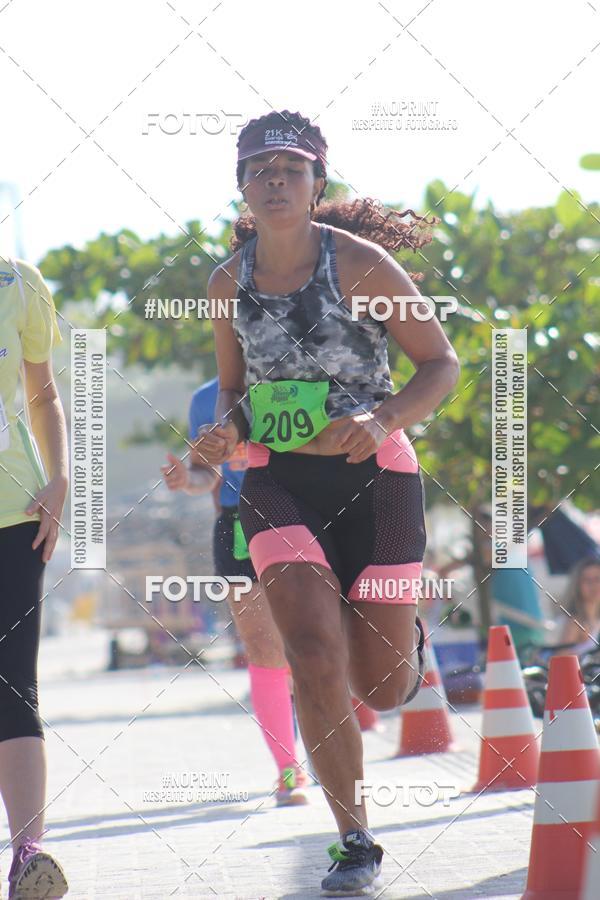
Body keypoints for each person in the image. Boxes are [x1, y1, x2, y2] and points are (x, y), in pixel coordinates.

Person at [196, 110, 460, 895]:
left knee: (380, 686)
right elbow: (235, 392)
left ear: (316, 183)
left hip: (378, 478)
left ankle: (402, 638)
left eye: (291, 169)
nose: (275, 181)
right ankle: (355, 839)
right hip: (277, 482)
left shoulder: (362, 265)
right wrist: (225, 431)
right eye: (260, 170)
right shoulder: (226, 283)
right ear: (241, 186)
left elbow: (440, 365)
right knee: (311, 654)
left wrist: (382, 417)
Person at [161, 376, 308, 805]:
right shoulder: (206, 398)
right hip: (238, 524)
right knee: (264, 649)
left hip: (301, 516)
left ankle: (326, 750)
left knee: (310, 644)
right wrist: (184, 479)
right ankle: (289, 770)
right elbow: (205, 475)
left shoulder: (295, 377)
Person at [0, 258, 69, 898]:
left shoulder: (19, 282)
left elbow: (42, 393)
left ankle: (29, 855)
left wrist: (60, 476)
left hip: (13, 511)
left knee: (14, 683)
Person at [556, 556, 600, 653]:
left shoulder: (595, 619)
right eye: (587, 580)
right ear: (577, 585)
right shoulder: (574, 622)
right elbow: (561, 656)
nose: (594, 585)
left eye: (597, 579)